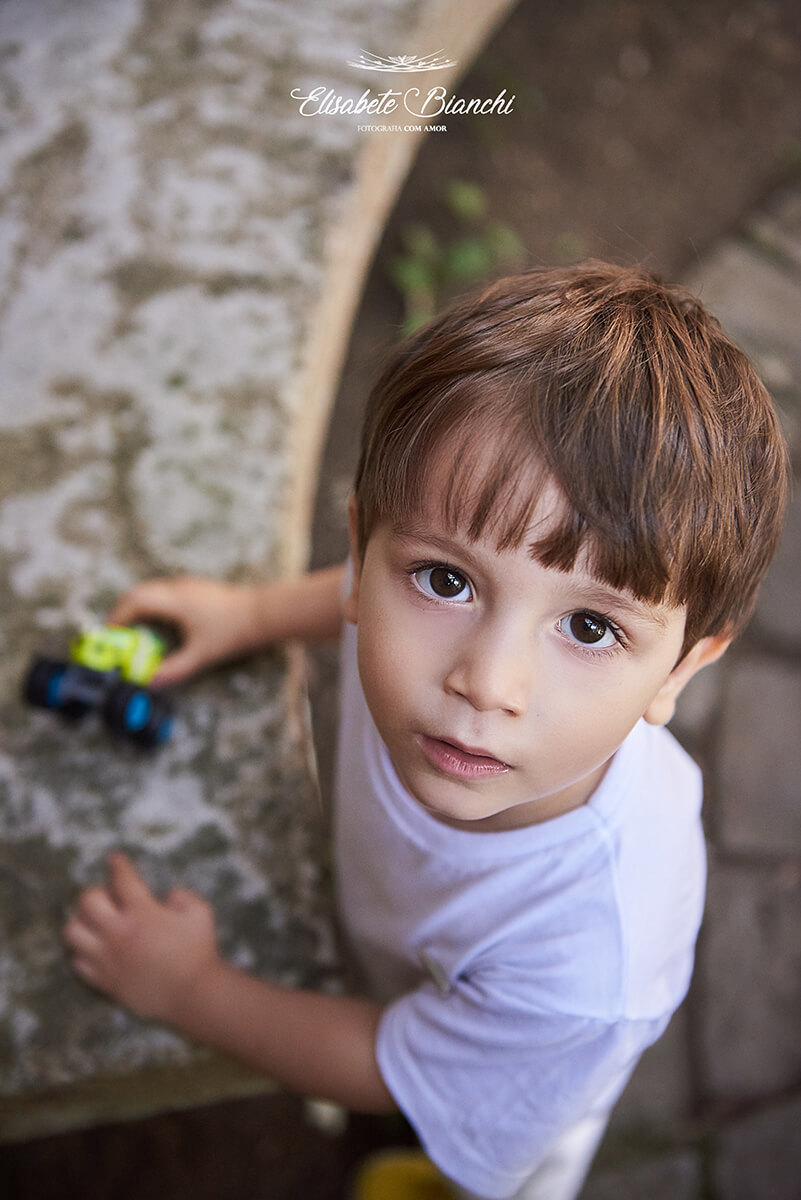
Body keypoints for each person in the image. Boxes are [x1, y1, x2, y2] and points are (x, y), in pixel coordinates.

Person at [64, 262, 789, 1200]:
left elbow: (392, 1065)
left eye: (588, 627)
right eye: (448, 581)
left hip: (507, 1079)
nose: (484, 681)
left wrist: (188, 991)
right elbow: (359, 586)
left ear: (682, 669)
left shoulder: (586, 967)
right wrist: (251, 615)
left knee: (470, 1164)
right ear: (366, 551)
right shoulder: (418, 646)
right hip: (399, 948)